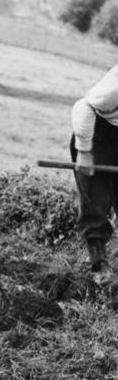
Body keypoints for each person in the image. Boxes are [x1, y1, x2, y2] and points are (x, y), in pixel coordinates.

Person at [70, 65, 118, 285]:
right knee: (95, 202)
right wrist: (84, 151)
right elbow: (83, 107)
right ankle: (99, 265)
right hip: (98, 136)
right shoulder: (113, 89)